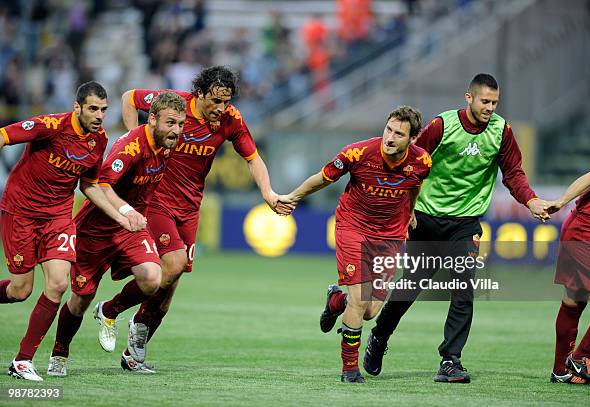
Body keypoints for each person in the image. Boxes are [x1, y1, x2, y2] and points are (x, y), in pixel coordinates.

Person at [362, 73, 550, 383]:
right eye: (485, 101)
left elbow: (513, 173)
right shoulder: (442, 125)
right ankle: (380, 336)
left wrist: (530, 201)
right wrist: (404, 208)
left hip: (465, 223)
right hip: (426, 217)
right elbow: (411, 163)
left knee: (463, 287)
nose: (490, 107)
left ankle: (450, 359)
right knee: (412, 285)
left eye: (494, 102)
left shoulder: (501, 131)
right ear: (469, 98)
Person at [118, 66, 292, 371]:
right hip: (157, 199)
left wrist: (267, 191)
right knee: (172, 265)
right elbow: (129, 98)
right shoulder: (173, 105)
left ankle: (135, 348)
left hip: (190, 209)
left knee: (169, 290)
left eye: (226, 101)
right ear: (199, 94)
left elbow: (253, 157)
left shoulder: (230, 119)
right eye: (215, 101)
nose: (221, 108)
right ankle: (115, 310)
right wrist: (135, 139)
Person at [0, 82, 146, 381]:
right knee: (20, 291)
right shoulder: (50, 125)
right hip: (22, 213)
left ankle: (22, 361)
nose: (99, 116)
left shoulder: (99, 140)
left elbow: (90, 185)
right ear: (77, 106)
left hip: (58, 218)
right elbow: (4, 135)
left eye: (104, 110)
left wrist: (120, 215)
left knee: (57, 284)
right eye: (93, 108)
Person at [279, 106, 431, 383]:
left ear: (412, 139)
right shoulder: (358, 153)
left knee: (370, 311)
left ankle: (336, 300)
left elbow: (415, 185)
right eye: (389, 130)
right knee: (360, 300)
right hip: (354, 228)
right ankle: (349, 369)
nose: (390, 138)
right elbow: (322, 178)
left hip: (390, 235)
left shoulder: (422, 162)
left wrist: (410, 211)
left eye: (399, 134)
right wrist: (294, 196)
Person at [47, 92, 186, 377]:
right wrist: (125, 211)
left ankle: (109, 310)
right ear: (153, 119)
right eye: (171, 123)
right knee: (80, 298)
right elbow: (103, 185)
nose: (177, 130)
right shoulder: (131, 146)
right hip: (97, 229)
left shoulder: (168, 144)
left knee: (152, 278)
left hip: (131, 228)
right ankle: (59, 353)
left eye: (181, 124)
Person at [546, 139, 590, 387]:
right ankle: (581, 357)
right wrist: (561, 201)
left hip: (580, 227)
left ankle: (561, 370)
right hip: (586, 231)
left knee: (574, 300)